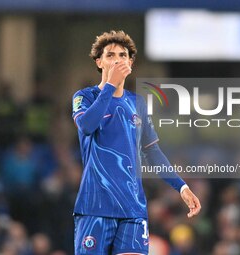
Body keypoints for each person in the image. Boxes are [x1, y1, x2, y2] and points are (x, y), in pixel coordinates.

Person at [72, 30, 201, 255]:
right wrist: (110, 86)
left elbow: (152, 152)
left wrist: (181, 186)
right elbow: (86, 126)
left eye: (123, 55)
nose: (117, 60)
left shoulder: (137, 102)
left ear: (130, 62)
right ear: (99, 62)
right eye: (110, 55)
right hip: (95, 206)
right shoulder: (84, 97)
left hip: (132, 208)